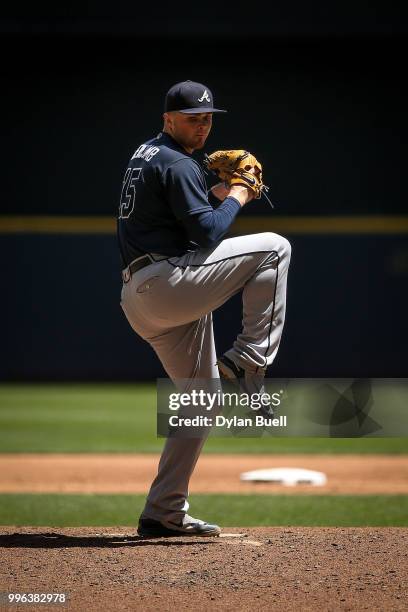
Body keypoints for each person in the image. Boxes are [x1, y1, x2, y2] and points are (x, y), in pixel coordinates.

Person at [117, 80, 291, 538]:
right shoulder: (176, 162)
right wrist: (239, 193)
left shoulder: (151, 154)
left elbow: (187, 218)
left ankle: (163, 512)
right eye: (193, 118)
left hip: (142, 294)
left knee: (201, 399)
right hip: (167, 282)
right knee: (275, 247)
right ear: (168, 119)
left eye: (208, 117)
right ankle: (250, 360)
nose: (203, 125)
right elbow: (208, 235)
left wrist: (217, 190)